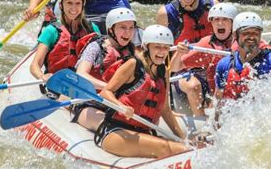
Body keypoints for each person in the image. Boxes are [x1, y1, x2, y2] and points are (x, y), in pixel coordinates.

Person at [73, 25, 190, 158]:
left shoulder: (164, 72)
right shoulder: (133, 64)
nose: (162, 52)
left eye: (165, 47)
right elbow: (106, 92)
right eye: (157, 46)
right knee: (166, 147)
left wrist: (182, 138)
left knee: (183, 147)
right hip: (116, 132)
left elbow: (165, 109)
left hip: (144, 132)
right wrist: (121, 106)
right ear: (147, 46)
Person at [170, 2, 238, 116]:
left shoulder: (242, 42)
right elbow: (174, 67)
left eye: (225, 19)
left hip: (220, 83)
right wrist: (178, 53)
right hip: (198, 79)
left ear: (233, 23)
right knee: (193, 86)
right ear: (211, 22)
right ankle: (201, 120)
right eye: (216, 20)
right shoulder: (206, 43)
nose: (220, 23)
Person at [30, 0, 100, 82]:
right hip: (57, 86)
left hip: (84, 85)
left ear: (83, 4)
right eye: (69, 3)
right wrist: (42, 76)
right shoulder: (51, 30)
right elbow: (34, 65)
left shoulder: (92, 29)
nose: (74, 8)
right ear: (61, 5)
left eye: (78, 3)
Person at [215, 12, 271, 100]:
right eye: (246, 33)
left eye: (256, 33)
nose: (252, 37)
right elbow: (220, 101)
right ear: (235, 35)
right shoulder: (224, 64)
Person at [76, 7, 137, 91]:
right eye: (123, 27)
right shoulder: (95, 47)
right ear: (111, 30)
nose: (128, 33)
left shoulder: (132, 50)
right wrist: (109, 88)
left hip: (115, 99)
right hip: (92, 98)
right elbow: (80, 74)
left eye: (131, 27)